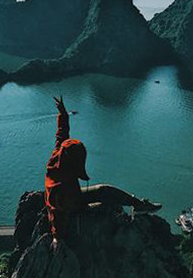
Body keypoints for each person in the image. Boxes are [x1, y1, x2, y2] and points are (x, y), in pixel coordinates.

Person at [44, 96, 161, 248]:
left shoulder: (59, 154)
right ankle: (135, 207)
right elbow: (55, 209)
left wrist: (63, 114)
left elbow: (62, 134)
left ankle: (138, 204)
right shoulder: (60, 184)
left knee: (104, 189)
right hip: (71, 205)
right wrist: (57, 236)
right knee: (109, 205)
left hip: (74, 196)